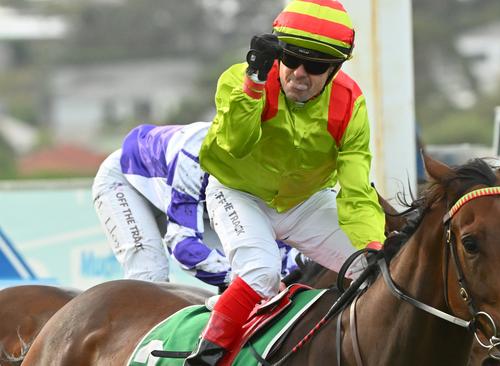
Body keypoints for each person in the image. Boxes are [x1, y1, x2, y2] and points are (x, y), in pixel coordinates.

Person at [186, 1, 386, 364]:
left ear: (336, 68)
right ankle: (207, 357)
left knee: (375, 270)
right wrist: (253, 86)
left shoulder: (351, 103)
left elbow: (357, 190)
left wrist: (373, 242)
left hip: (306, 202)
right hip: (238, 193)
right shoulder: (240, 79)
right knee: (262, 272)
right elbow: (234, 144)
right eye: (291, 59)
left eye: (316, 66)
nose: (299, 74)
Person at [92, 122, 302, 291]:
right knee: (151, 276)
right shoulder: (193, 157)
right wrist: (246, 280)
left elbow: (277, 243)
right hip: (127, 182)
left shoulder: (273, 169)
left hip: (194, 199)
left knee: (246, 258)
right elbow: (182, 244)